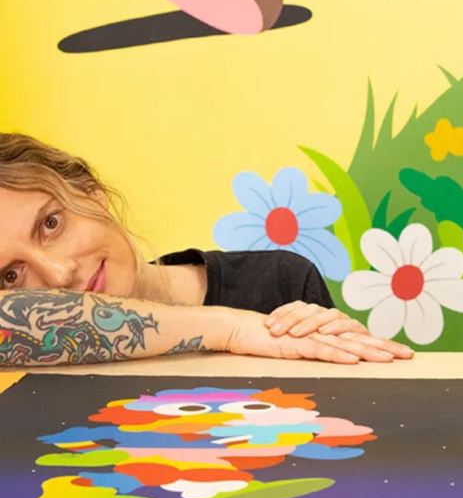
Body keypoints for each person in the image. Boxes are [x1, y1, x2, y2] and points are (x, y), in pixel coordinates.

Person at [0, 133, 412, 366]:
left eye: (50, 224)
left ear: (91, 193)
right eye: (11, 276)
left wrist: (348, 358)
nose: (57, 275)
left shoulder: (280, 281)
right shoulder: (31, 357)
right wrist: (231, 329)